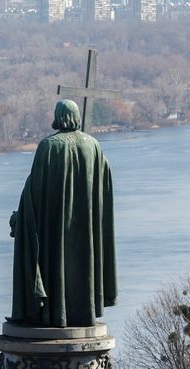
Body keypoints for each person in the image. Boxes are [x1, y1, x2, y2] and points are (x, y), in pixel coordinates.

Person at [9, 98, 117, 327]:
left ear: (58, 116)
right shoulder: (93, 146)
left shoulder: (49, 147)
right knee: (82, 262)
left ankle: (53, 313)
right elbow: (104, 183)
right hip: (86, 228)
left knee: (53, 261)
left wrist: (21, 218)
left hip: (54, 228)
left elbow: (34, 192)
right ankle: (83, 312)